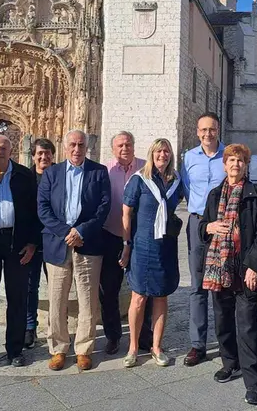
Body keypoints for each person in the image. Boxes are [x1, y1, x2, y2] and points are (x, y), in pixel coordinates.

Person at [199, 144, 257, 405]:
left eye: (240, 161)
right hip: (219, 268)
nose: (235, 165)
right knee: (222, 321)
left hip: (244, 269)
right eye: (231, 160)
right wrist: (210, 226)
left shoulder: (255, 196)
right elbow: (202, 229)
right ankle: (230, 363)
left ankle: (253, 382)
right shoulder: (215, 194)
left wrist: (254, 266)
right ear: (224, 164)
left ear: (245, 165)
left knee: (247, 326)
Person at [38, 129, 111, 371]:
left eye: (81, 144)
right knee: (57, 298)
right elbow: (43, 208)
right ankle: (58, 349)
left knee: (88, 298)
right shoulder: (51, 173)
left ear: (86, 146)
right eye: (73, 144)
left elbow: (103, 207)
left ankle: (83, 348)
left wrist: (80, 232)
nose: (77, 149)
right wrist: (65, 232)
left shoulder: (98, 172)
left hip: (87, 244)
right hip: (58, 245)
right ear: (65, 146)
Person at [0, 134, 39, 368]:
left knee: (18, 297)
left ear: (11, 150)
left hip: (18, 243)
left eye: (3, 147)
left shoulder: (24, 176)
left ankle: (15, 349)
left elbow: (35, 212)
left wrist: (32, 243)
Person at [120, 138, 184, 368]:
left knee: (161, 295)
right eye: (159, 151)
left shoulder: (176, 181)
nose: (163, 155)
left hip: (166, 246)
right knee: (138, 298)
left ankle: (156, 347)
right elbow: (126, 213)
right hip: (142, 245)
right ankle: (133, 348)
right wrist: (126, 244)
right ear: (152, 153)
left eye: (166, 151)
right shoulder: (139, 179)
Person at [180, 112, 227, 366]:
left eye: (212, 129)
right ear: (197, 132)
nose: (207, 134)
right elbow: (187, 187)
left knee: (223, 284)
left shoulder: (229, 154)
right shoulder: (188, 158)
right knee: (197, 285)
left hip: (223, 223)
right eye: (203, 130)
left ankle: (226, 341)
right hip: (198, 222)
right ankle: (198, 345)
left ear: (217, 130)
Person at [101, 131, 154, 355]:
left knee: (144, 288)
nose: (125, 148)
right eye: (120, 145)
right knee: (108, 290)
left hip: (140, 238)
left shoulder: (146, 168)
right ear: (113, 149)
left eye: (129, 144)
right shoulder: (105, 170)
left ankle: (144, 335)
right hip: (111, 235)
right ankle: (113, 336)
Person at [24, 138, 55, 349]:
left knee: (57, 287)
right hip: (31, 242)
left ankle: (57, 328)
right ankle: (29, 327)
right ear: (33, 155)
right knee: (29, 286)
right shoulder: (24, 177)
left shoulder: (60, 176)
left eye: (47, 154)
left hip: (54, 240)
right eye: (40, 154)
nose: (43, 157)